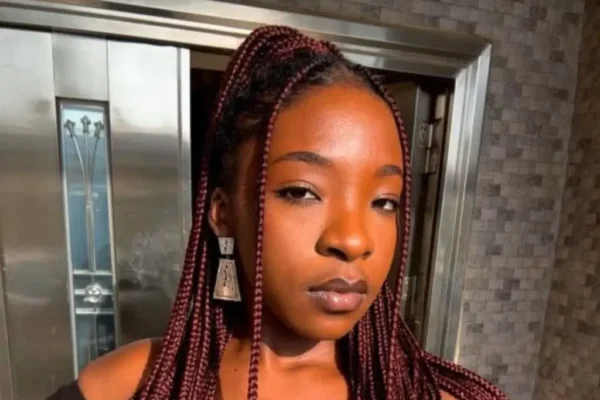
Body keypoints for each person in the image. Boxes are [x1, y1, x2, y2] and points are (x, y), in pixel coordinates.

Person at [48, 26, 507, 400]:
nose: (353, 240)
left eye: (384, 201)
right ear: (224, 214)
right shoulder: (133, 385)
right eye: (302, 192)